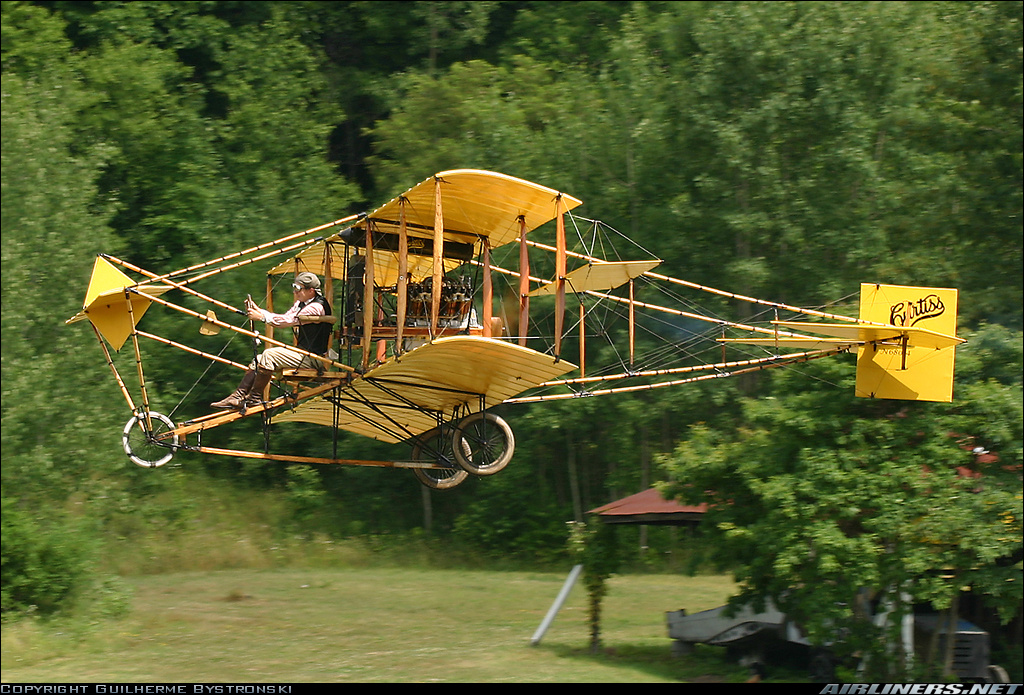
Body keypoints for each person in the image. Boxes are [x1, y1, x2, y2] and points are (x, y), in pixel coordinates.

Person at [210, 272, 333, 409]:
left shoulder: (316, 307)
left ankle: (254, 398)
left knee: (269, 355)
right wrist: (260, 312)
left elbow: (286, 322)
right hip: (303, 354)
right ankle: (238, 396)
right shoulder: (302, 303)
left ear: (311, 291)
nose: (295, 292)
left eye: (298, 288)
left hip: (313, 358)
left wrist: (261, 317)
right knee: (259, 358)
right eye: (294, 287)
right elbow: (285, 316)